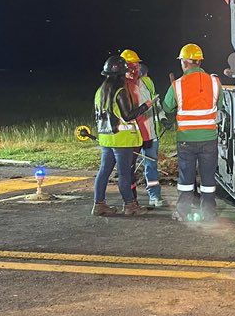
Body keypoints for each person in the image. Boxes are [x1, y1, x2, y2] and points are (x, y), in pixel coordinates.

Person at [161, 42, 223, 222]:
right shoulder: (214, 81)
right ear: (199, 62)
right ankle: (209, 213)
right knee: (208, 178)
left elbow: (167, 107)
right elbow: (219, 105)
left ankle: (183, 212)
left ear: (185, 63)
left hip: (186, 140)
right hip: (209, 138)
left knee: (186, 178)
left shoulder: (177, 85)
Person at [92, 55, 154, 217]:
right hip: (122, 139)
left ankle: (99, 204)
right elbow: (128, 116)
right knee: (125, 173)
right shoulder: (120, 91)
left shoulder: (100, 92)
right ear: (121, 75)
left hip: (106, 139)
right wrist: (145, 106)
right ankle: (130, 205)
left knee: (104, 171)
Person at [121, 48, 165, 208]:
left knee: (151, 166)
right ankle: (132, 201)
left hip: (150, 133)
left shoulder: (147, 82)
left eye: (137, 65)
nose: (135, 69)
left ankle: (154, 195)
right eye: (131, 66)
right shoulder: (121, 87)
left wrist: (163, 117)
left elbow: (155, 102)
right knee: (129, 169)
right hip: (133, 136)